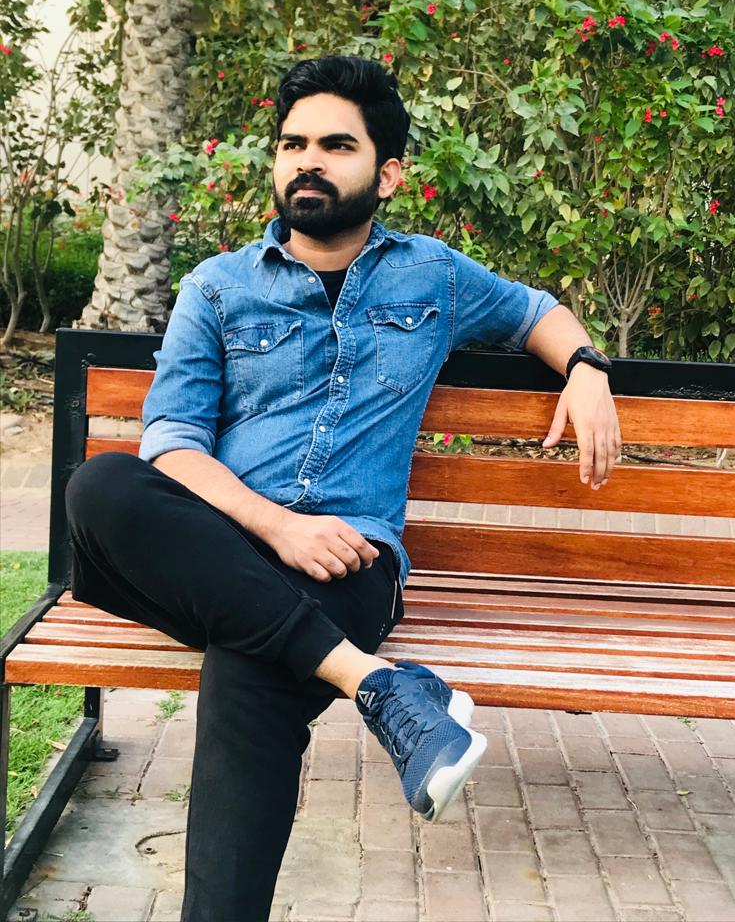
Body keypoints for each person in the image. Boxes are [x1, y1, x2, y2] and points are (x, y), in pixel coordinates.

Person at [65, 55, 622, 921]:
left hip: (351, 561)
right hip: (219, 543)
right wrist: (278, 527)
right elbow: (171, 443)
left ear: (387, 174)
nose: (307, 162)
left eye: (335, 145)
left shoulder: (432, 276)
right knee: (102, 484)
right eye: (292, 145)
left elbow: (533, 311)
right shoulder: (217, 287)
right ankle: (380, 686)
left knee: (250, 664)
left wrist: (586, 366)